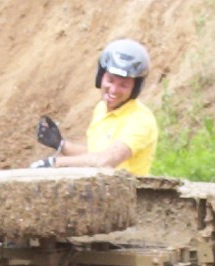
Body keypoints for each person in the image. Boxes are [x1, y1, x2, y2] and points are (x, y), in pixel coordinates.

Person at [30, 39, 158, 177]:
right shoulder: (101, 109)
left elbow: (106, 160)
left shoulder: (140, 120)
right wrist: (61, 144)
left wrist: (56, 163)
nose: (114, 90)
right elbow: (94, 155)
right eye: (110, 80)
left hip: (128, 194)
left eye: (124, 85)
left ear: (135, 89)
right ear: (100, 77)